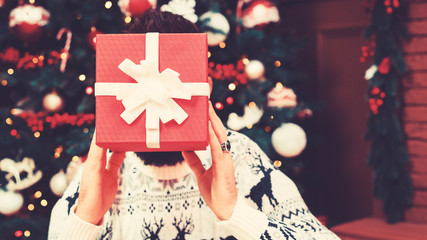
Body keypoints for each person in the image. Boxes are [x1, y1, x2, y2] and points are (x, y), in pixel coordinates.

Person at [48, 10, 340, 240]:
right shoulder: (99, 172)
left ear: (205, 88)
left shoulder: (240, 158)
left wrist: (237, 214)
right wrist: (84, 221)